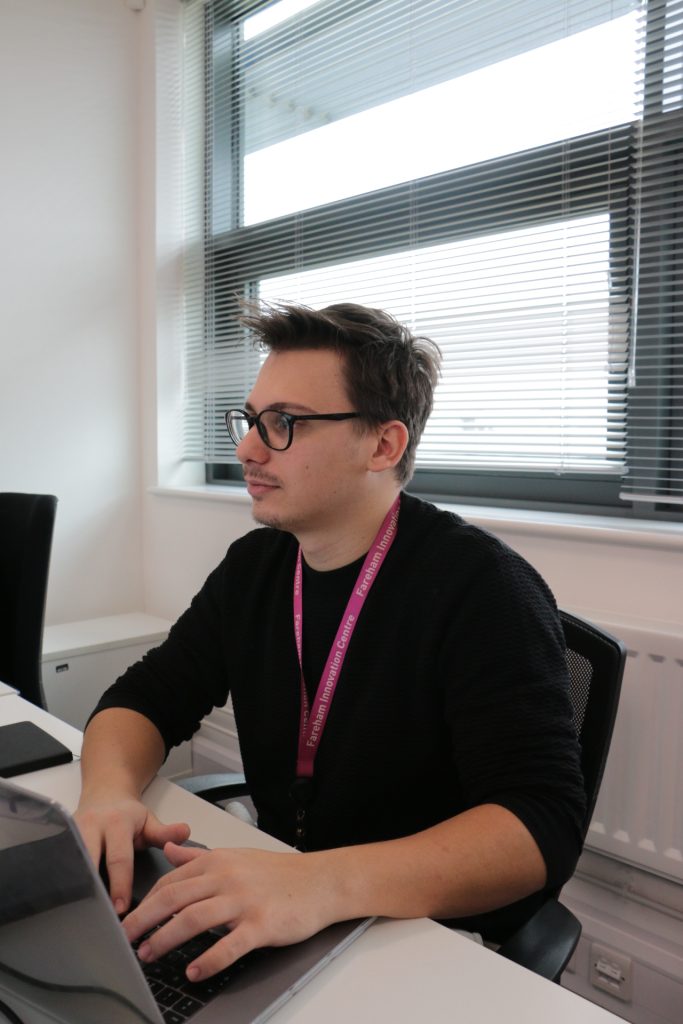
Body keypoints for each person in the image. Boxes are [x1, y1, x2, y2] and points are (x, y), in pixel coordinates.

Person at [75, 301, 586, 985]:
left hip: (423, 940)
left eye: (284, 423)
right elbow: (146, 696)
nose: (247, 450)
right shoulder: (256, 567)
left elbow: (539, 826)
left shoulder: (483, 587)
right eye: (251, 420)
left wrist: (318, 882)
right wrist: (108, 792)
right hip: (288, 910)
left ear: (383, 446)